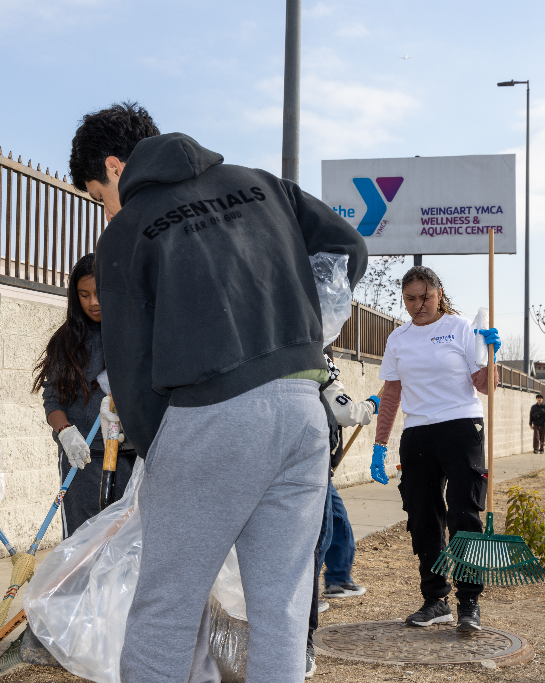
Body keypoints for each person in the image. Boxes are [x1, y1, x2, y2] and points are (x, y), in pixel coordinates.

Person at [72, 101, 367, 683]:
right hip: (301, 411)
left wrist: (160, 450)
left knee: (166, 609)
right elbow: (348, 249)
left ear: (114, 166)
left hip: (209, 415)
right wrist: (306, 328)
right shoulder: (260, 186)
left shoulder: (128, 229)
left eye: (96, 194)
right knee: (281, 607)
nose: (105, 209)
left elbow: (130, 364)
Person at [371, 265, 499, 632]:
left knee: (464, 515)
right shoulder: (398, 339)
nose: (418, 305)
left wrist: (491, 354)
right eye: (410, 299)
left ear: (439, 293)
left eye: (425, 296)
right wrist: (380, 445)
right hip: (418, 433)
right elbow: (392, 394)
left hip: (461, 428)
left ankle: (469, 602)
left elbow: (486, 387)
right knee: (423, 517)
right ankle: (435, 600)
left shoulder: (460, 329)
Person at [33, 254, 137, 537]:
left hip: (129, 459)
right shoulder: (66, 342)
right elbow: (53, 400)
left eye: (99, 293)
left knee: (125, 544)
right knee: (82, 544)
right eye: (84, 294)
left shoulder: (135, 336)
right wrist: (66, 432)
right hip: (82, 461)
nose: (93, 302)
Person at [306, 354, 378, 677]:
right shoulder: (320, 366)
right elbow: (346, 410)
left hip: (319, 464)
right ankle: (315, 591)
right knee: (321, 533)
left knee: (336, 519)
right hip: (313, 463)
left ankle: (337, 578)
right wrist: (371, 407)